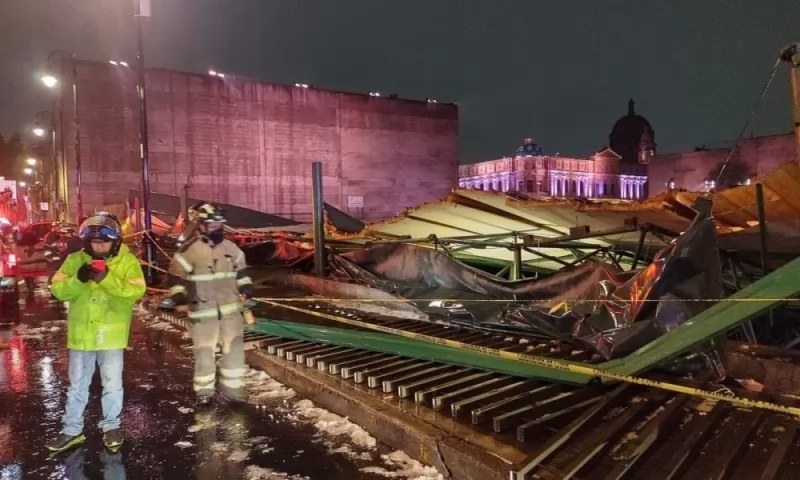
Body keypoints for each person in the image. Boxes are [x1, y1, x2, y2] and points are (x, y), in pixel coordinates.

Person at [46, 212, 146, 453]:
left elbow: (135, 292)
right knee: (77, 385)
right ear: (86, 243)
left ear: (115, 242)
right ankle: (72, 430)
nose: (100, 246)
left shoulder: (127, 262)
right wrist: (78, 280)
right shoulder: (74, 260)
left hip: (111, 337)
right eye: (95, 242)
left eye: (105, 242)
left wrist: (107, 278)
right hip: (81, 336)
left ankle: (111, 426)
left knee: (112, 383)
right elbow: (58, 290)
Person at [164, 202, 253, 406]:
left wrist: (246, 290)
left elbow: (242, 274)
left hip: (231, 313)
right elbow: (176, 279)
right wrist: (181, 298)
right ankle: (204, 391)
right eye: (212, 225)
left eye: (219, 225)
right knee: (205, 354)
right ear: (201, 226)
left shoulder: (232, 249)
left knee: (235, 351)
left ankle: (234, 388)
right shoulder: (190, 250)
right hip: (203, 313)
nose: (216, 229)